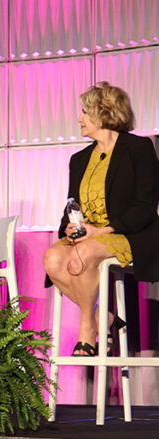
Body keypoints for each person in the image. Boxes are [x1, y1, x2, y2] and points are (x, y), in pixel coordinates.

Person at [43, 82, 159, 356]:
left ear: (104, 113)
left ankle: (87, 332)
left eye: (84, 112)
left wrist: (102, 230)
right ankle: (102, 319)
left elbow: (146, 205)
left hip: (131, 234)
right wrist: (69, 226)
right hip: (89, 236)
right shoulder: (79, 158)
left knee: (81, 255)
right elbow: (71, 205)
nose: (79, 119)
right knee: (52, 259)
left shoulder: (138, 148)